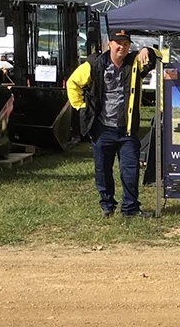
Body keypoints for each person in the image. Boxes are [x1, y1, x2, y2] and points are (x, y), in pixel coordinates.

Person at [67, 29, 154, 219]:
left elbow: (158, 58)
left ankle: (130, 208)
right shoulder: (94, 64)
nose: (122, 46)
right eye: (118, 43)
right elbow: (72, 83)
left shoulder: (134, 62)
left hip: (127, 130)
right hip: (102, 128)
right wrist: (81, 107)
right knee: (102, 169)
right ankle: (107, 205)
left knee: (130, 170)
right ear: (110, 45)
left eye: (126, 43)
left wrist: (148, 50)